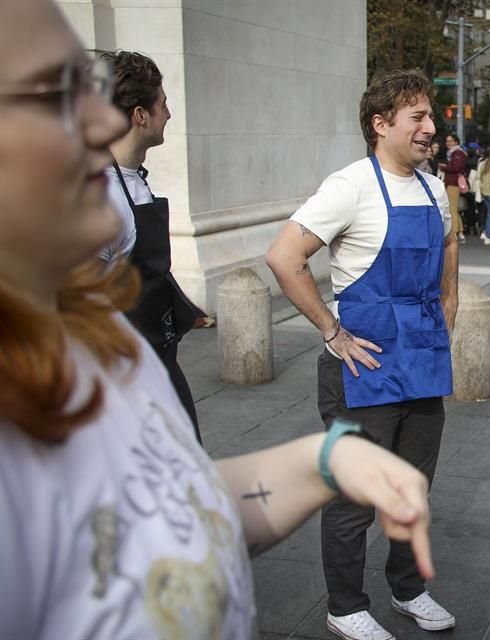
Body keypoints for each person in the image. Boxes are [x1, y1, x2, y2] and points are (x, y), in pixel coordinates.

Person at [0, 2, 436, 639]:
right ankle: (347, 605)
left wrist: (317, 465)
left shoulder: (110, 352)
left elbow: (185, 507)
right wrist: (334, 334)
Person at [266, 70, 458, 640]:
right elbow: (284, 257)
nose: (431, 127)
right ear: (381, 124)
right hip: (363, 368)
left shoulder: (432, 188)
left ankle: (408, 589)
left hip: (422, 360)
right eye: (418, 117)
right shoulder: (350, 186)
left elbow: (449, 242)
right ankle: (346, 605)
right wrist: (332, 331)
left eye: (430, 116)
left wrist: (447, 308)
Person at [100, 49, 203, 442]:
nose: (169, 114)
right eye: (163, 104)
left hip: (159, 364)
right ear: (140, 115)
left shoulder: (134, 179)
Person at [438, 133, 467, 243]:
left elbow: (456, 167)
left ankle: (454, 233)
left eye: (451, 141)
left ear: (456, 142)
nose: (448, 143)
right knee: (454, 208)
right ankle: (460, 233)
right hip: (453, 183)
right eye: (447, 141)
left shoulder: (457, 153)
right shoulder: (455, 153)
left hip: (453, 183)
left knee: (452, 209)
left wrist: (445, 167)